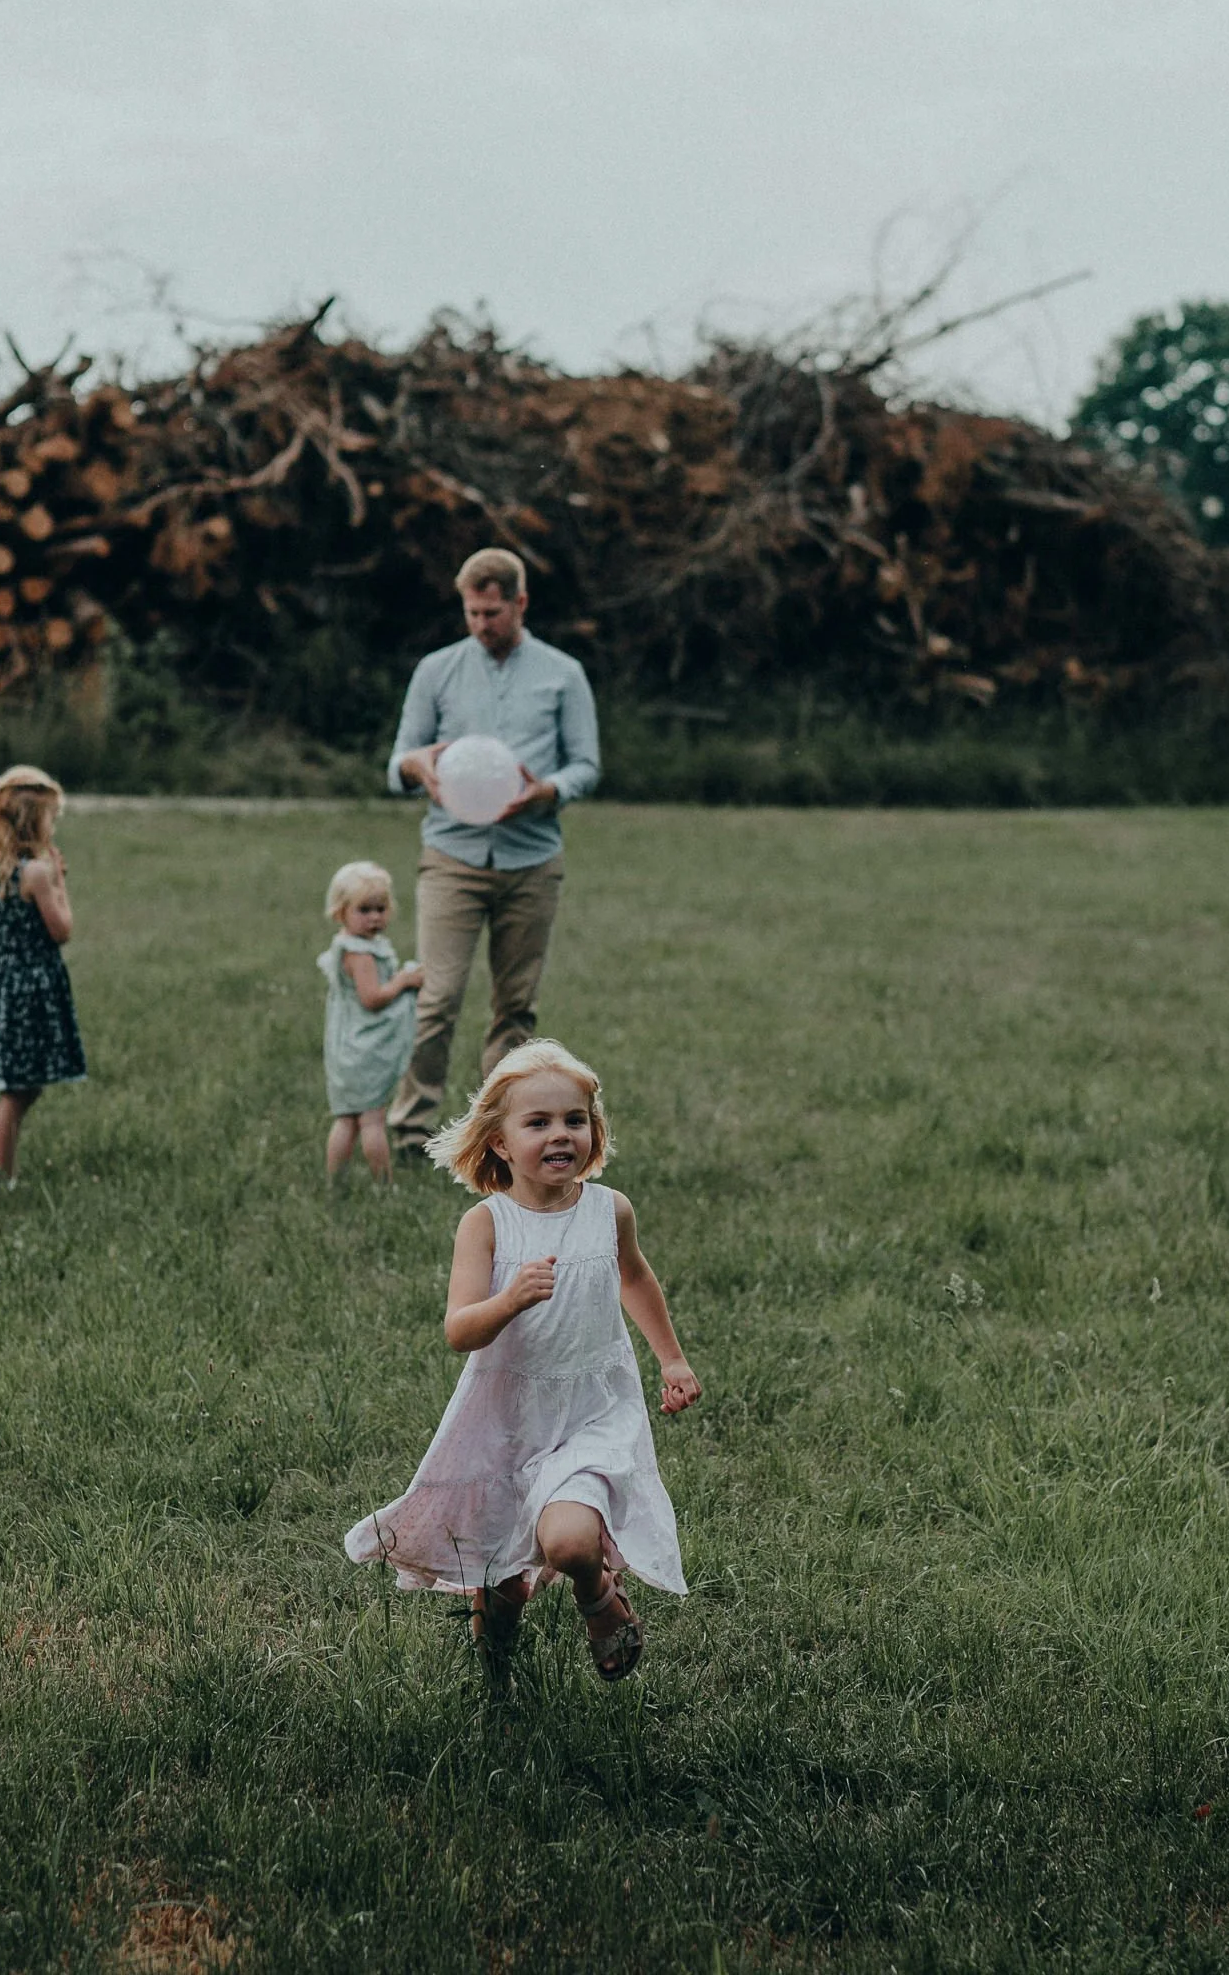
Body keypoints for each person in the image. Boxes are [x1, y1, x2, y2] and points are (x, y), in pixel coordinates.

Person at [344, 1039, 702, 1690]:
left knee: (569, 1542)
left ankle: (598, 1596)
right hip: (504, 1420)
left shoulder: (609, 1211)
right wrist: (507, 1300)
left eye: (575, 1119)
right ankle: (499, 1684)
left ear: (594, 1132)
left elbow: (636, 1278)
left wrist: (672, 1362)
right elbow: (460, 1329)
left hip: (592, 1410)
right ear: (501, 1144)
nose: (560, 1134)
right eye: (537, 1123)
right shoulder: (486, 1225)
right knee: (502, 1589)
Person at [385, 547, 600, 1159]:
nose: (481, 624)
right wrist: (417, 765)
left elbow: (587, 764)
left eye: (492, 612)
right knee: (437, 996)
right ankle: (410, 1132)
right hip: (451, 855)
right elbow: (399, 758)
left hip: (531, 860)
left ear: (520, 603)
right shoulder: (437, 670)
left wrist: (547, 793)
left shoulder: (563, 673)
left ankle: (502, 1142)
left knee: (514, 1009)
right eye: (472, 612)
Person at [0, 764, 85, 1183]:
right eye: (51, 816)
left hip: (4, 986)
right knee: (18, 1092)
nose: (54, 825)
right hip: (32, 990)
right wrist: (59, 883)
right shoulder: (36, 874)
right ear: (33, 820)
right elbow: (62, 930)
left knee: (20, 1089)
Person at [317, 860, 423, 1182]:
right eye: (364, 909)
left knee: (346, 1119)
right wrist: (403, 981)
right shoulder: (360, 955)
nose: (375, 917)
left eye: (381, 908)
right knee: (371, 1121)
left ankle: (336, 1180)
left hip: (347, 1045)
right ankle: (384, 1183)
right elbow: (372, 998)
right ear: (341, 912)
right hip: (362, 1049)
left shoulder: (350, 946)